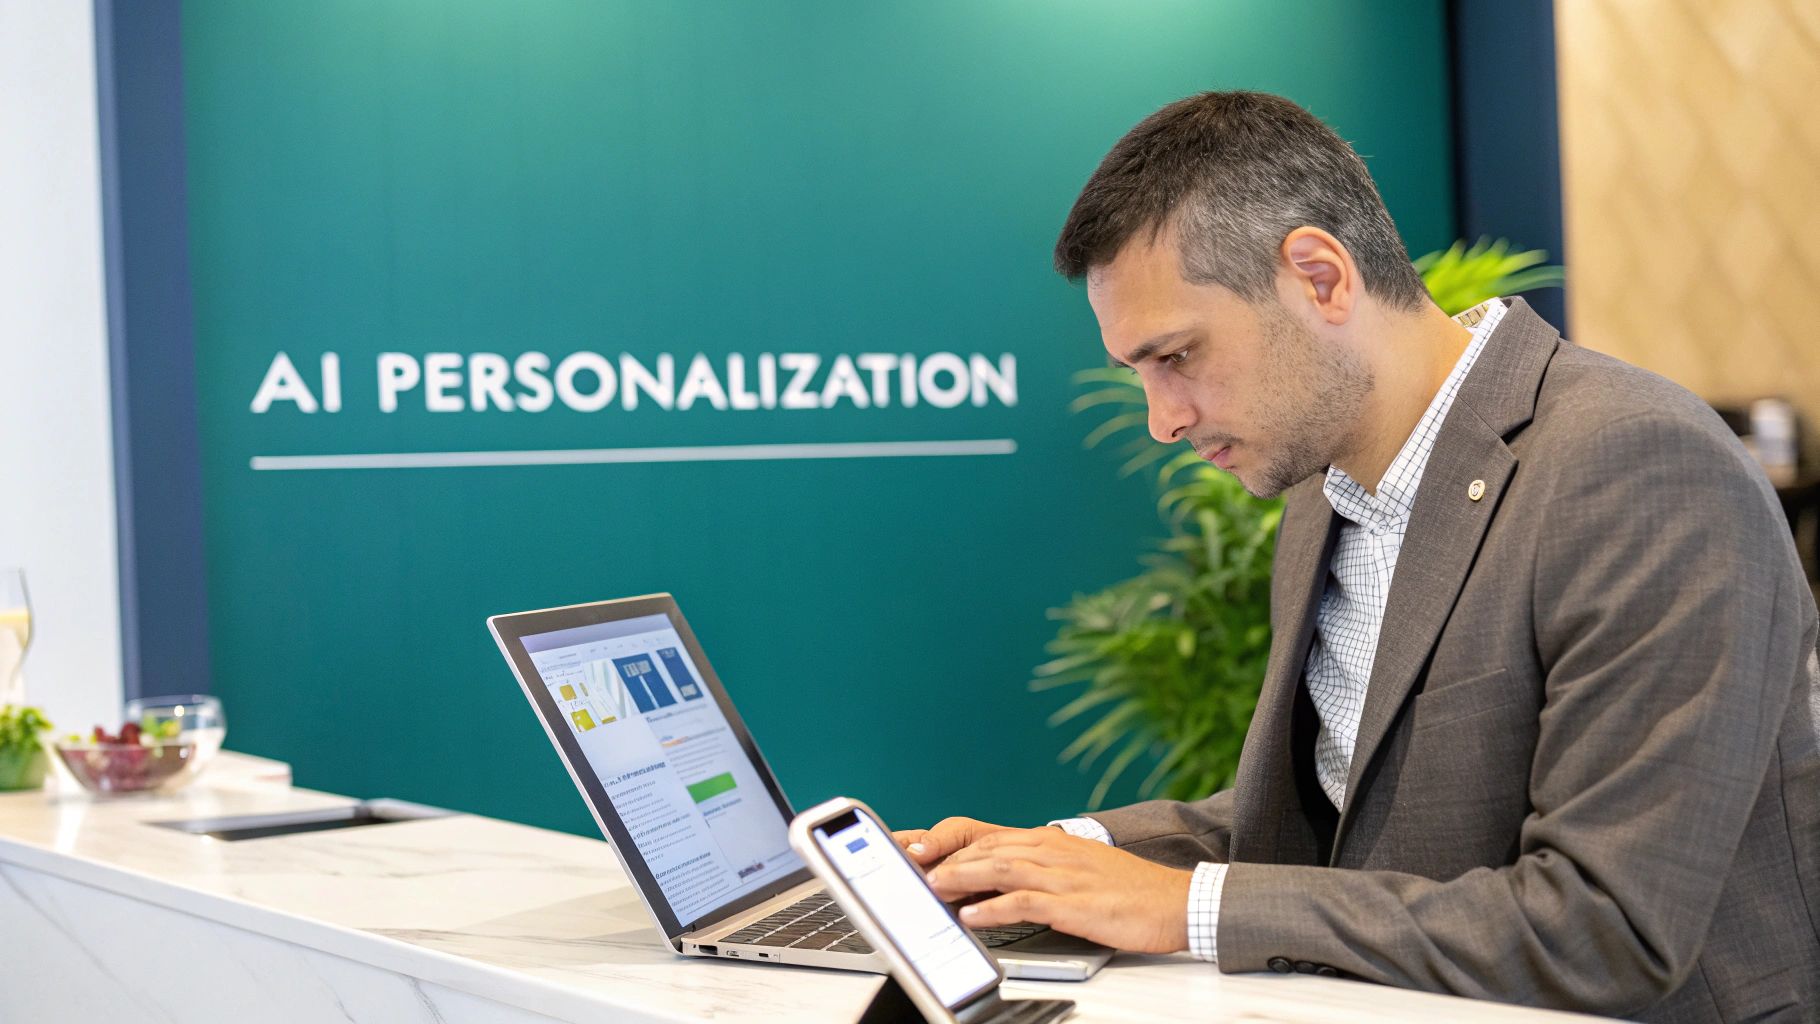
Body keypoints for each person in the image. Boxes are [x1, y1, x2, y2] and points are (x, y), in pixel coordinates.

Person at [896, 91, 1820, 1022]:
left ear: (1321, 277)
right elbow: (1328, 819)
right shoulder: (1322, 494)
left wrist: (1184, 907)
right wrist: (1050, 856)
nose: (1163, 420)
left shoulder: (1638, 467)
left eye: (1176, 356)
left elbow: (1603, 928)